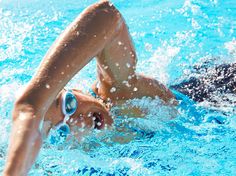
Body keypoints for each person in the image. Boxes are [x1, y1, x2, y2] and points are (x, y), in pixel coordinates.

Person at [3, 0, 235, 175]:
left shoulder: (119, 94)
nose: (80, 120)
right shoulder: (98, 155)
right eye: (61, 132)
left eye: (70, 104)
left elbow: (107, 16)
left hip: (221, 89)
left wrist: (34, 99)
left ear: (79, 90)